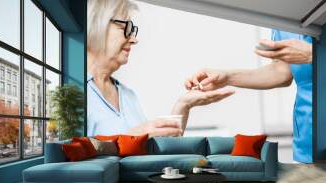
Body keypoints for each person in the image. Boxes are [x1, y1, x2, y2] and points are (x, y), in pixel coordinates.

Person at [87, 0, 234, 137]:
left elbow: (149, 153)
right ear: (97, 26)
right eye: (126, 28)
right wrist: (131, 138)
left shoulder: (127, 95)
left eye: (133, 30)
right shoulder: (72, 92)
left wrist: (183, 106)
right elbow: (70, 157)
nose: (134, 39)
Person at [185, 30, 313, 163]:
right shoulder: (286, 24)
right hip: (306, 144)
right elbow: (281, 72)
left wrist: (312, 53)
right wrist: (227, 77)